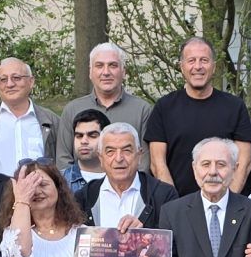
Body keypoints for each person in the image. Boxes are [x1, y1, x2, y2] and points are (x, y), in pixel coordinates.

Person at [144, 36, 251, 188]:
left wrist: (228, 204)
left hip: (225, 206)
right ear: (182, 66)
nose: (198, 66)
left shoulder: (235, 107)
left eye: (204, 60)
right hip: (178, 205)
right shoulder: (164, 107)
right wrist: (174, 207)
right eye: (191, 61)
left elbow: (244, 163)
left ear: (214, 66)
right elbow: (158, 164)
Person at [59, 42, 154, 175]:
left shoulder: (142, 110)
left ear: (123, 72)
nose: (106, 72)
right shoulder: (72, 110)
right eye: (99, 66)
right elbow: (63, 159)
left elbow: (144, 161)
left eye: (113, 65)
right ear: (90, 72)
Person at [74, 122, 176, 230]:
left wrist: (144, 234)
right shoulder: (83, 197)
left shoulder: (164, 195)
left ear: (139, 155)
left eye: (126, 151)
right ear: (101, 158)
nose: (119, 158)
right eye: (110, 151)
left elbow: (174, 241)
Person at [0, 56, 60, 174]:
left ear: (31, 81)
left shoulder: (52, 121)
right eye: (3, 79)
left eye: (16, 78)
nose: (9, 84)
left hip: (38, 190)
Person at [61, 107, 107, 193]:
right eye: (79, 136)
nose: (84, 141)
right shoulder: (58, 181)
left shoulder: (123, 179)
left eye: (92, 135)